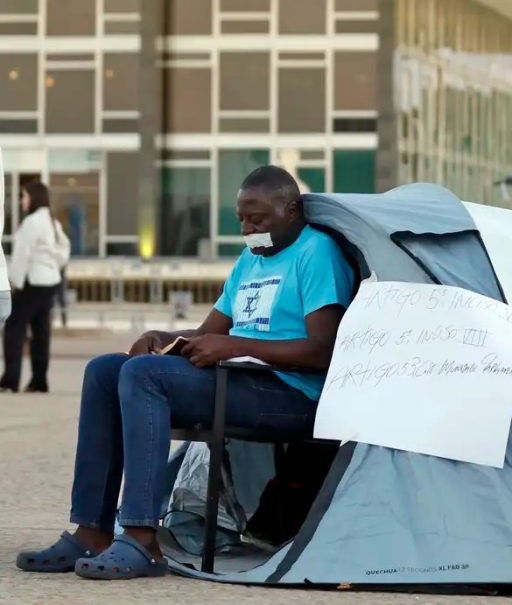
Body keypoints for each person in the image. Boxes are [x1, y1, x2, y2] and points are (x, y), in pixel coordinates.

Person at [16, 166, 355, 580]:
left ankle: (142, 538)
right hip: (239, 378)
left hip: (292, 393)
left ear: (290, 209)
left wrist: (236, 345)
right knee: (106, 370)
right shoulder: (251, 259)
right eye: (242, 219)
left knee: (146, 376)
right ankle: (93, 531)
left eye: (259, 219)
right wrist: (163, 336)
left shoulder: (315, 252)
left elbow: (324, 350)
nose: (248, 228)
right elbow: (208, 334)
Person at [1, 181, 70, 393]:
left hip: (31, 282)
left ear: (33, 198)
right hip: (49, 282)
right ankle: (39, 381)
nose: (22, 201)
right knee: (41, 333)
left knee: (14, 329)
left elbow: (22, 255)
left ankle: (10, 380)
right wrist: (51, 266)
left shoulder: (31, 222)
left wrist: (13, 282)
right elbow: (64, 250)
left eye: (24, 196)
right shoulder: (52, 222)